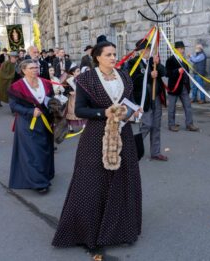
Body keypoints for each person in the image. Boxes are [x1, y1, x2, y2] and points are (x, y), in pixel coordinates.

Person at [52, 41, 142, 255]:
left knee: (123, 180)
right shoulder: (86, 79)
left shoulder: (124, 76)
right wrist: (104, 113)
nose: (113, 57)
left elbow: (132, 102)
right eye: (108, 54)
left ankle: (122, 231)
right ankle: (87, 232)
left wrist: (134, 111)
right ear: (97, 57)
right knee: (92, 183)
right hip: (95, 137)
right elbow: (81, 110)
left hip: (123, 135)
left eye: (114, 54)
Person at [8, 59, 54, 193]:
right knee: (32, 152)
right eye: (32, 68)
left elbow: (49, 99)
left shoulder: (45, 82)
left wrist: (54, 104)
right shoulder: (16, 86)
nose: (35, 70)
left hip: (45, 121)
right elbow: (14, 106)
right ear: (23, 70)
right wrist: (30, 111)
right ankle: (39, 183)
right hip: (27, 123)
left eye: (36, 67)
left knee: (45, 148)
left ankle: (45, 174)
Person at [128, 39, 168, 161]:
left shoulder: (153, 61)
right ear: (140, 51)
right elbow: (133, 80)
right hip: (143, 99)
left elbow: (164, 72)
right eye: (145, 49)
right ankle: (133, 150)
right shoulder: (133, 62)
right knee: (146, 125)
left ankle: (155, 152)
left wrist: (158, 63)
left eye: (149, 49)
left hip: (156, 97)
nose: (147, 52)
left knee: (156, 126)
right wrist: (149, 75)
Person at [166, 41, 199, 132]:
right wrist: (177, 71)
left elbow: (187, 74)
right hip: (174, 87)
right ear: (176, 50)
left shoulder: (183, 60)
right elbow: (167, 73)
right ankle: (171, 124)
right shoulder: (170, 60)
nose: (182, 51)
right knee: (172, 107)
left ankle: (189, 124)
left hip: (184, 87)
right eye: (180, 49)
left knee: (188, 106)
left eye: (183, 49)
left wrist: (188, 86)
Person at [65, 66, 84, 131]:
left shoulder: (81, 79)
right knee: (72, 112)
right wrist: (70, 92)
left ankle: (84, 125)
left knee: (82, 110)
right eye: (77, 71)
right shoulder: (69, 80)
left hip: (80, 97)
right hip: (73, 98)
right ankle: (70, 126)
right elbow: (65, 89)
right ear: (73, 73)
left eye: (79, 71)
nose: (79, 72)